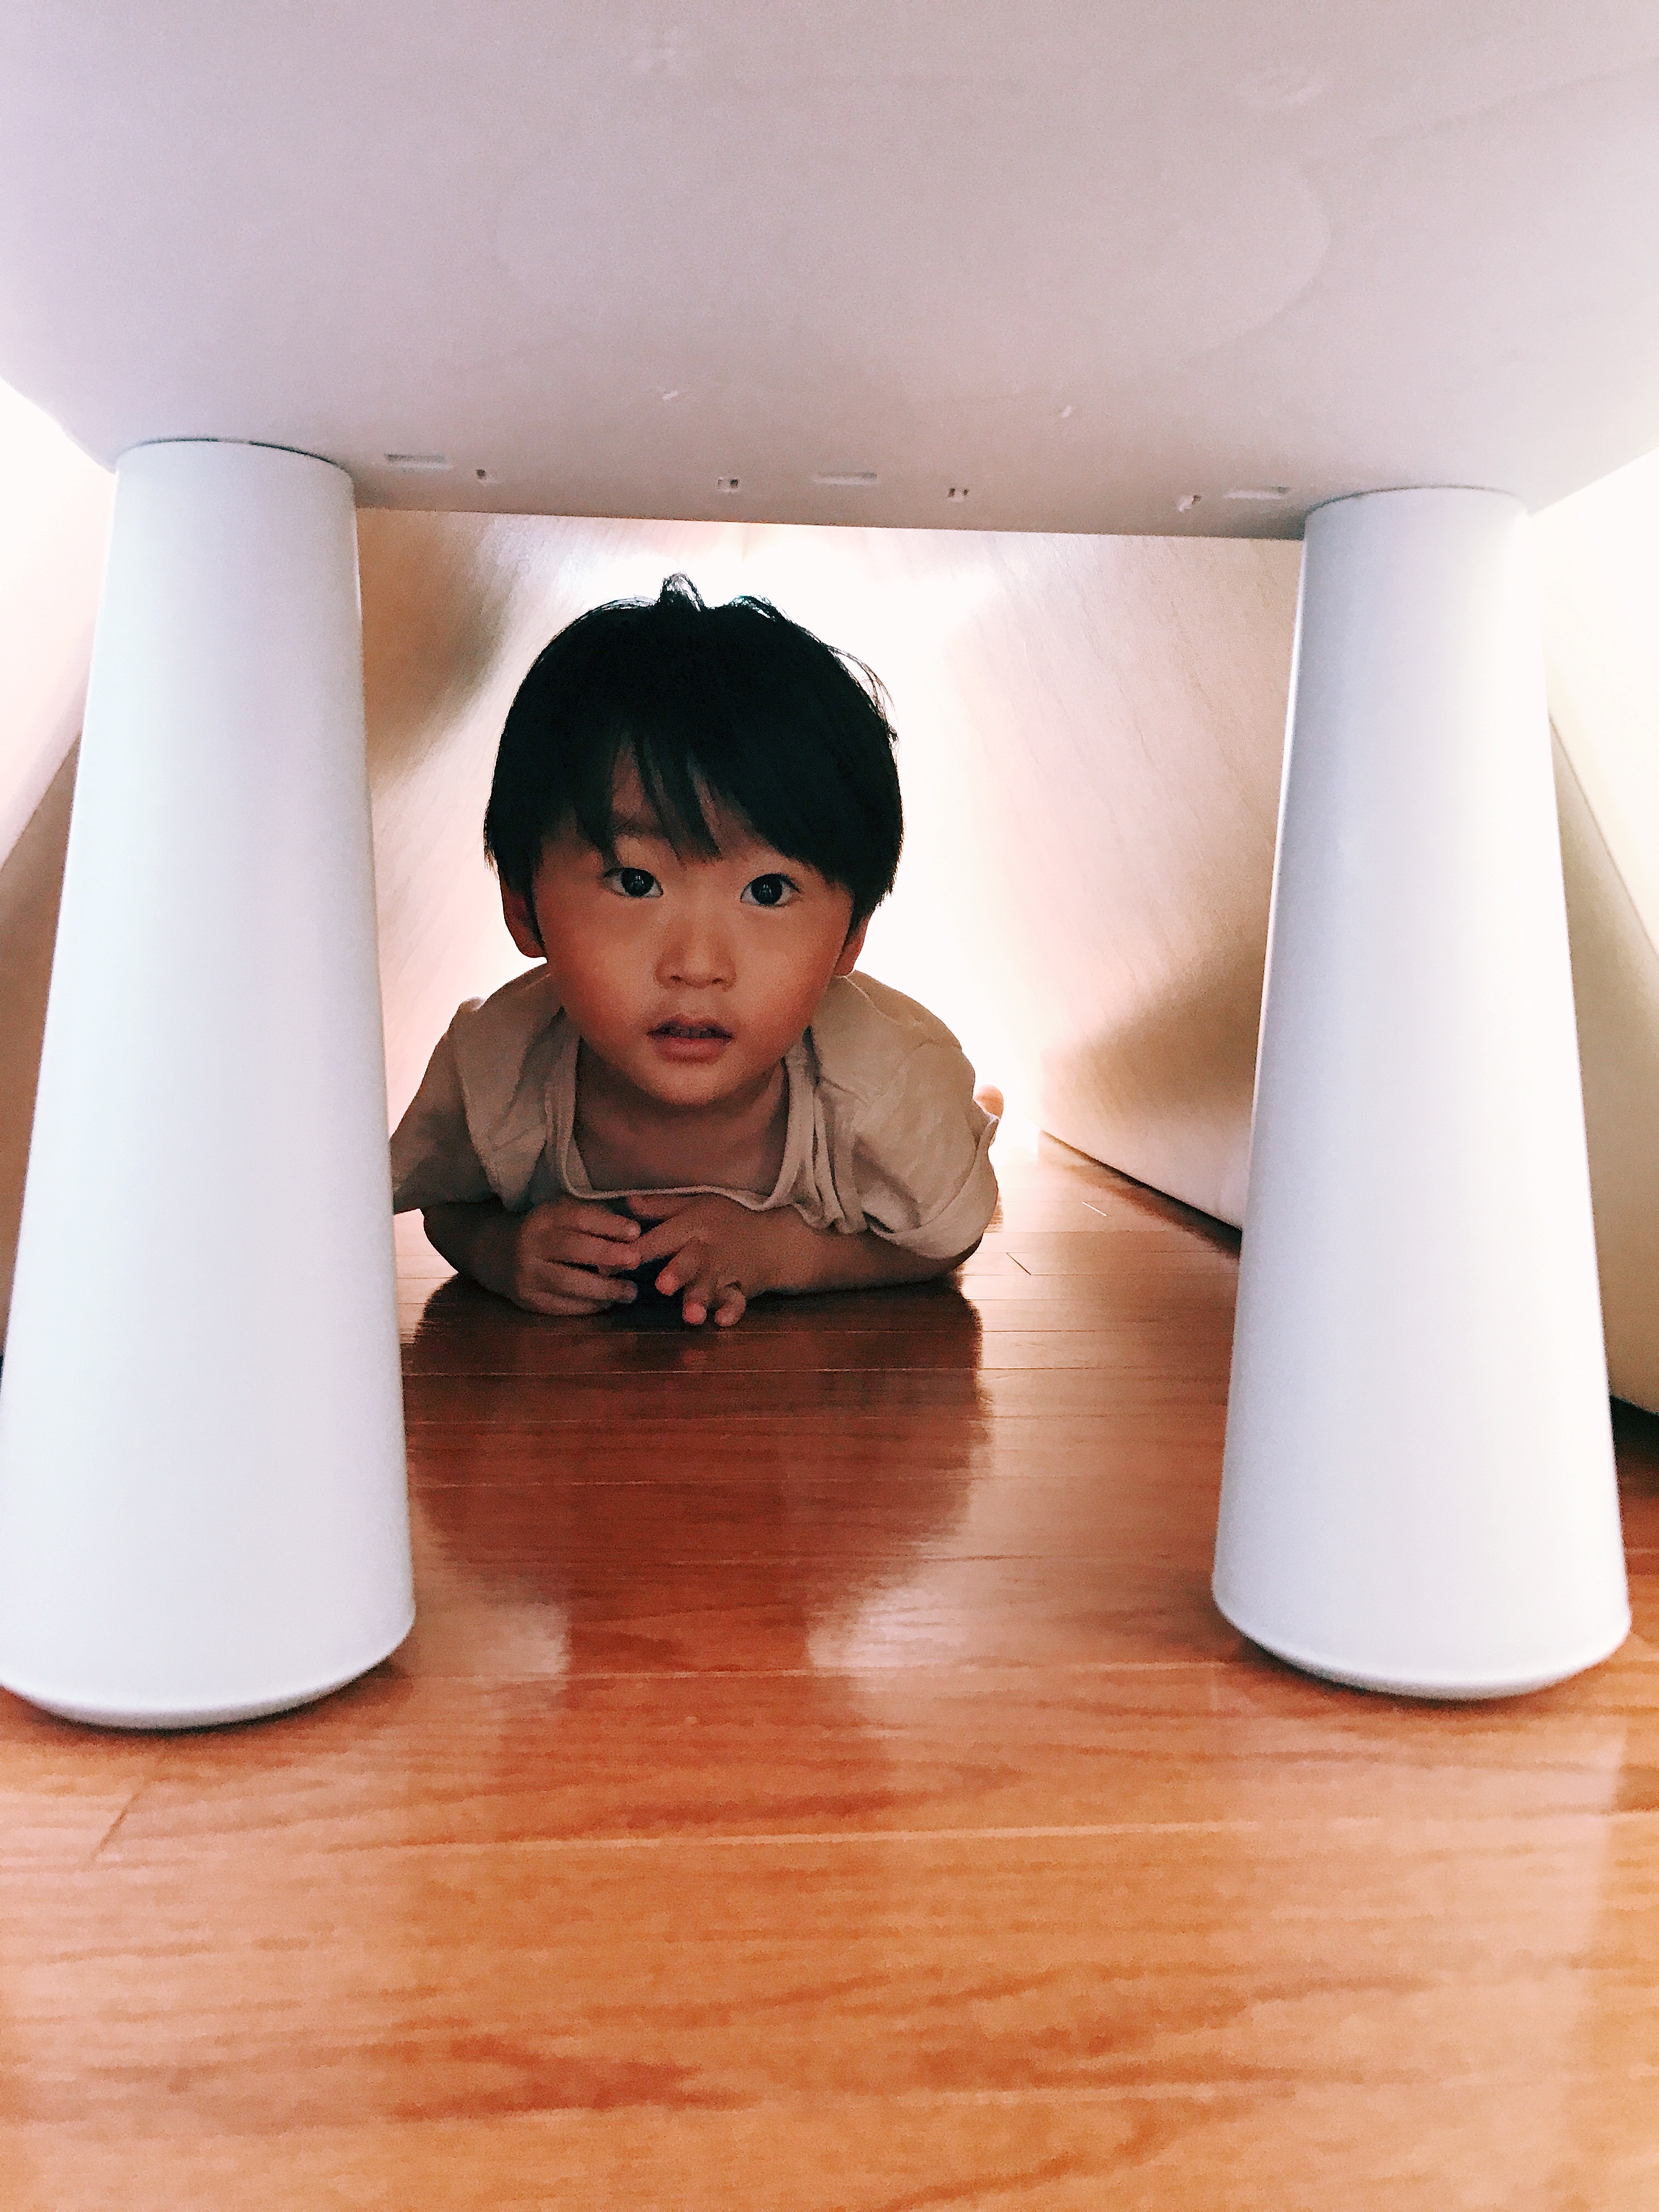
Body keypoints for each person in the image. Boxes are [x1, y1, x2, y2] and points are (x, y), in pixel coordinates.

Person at [390, 575, 998, 1327]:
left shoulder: (885, 1089)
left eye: (768, 890)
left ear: (852, 937)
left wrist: (785, 1254)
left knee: (943, 1145)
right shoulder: (495, 1067)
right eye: (635, 881)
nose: (698, 965)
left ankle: (979, 1115)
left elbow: (949, 1235)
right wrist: (499, 1251)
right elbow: (448, 1199)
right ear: (523, 908)